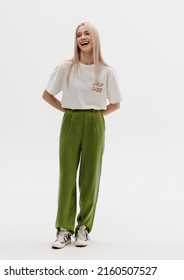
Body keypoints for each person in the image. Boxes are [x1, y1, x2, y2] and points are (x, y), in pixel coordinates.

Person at [42, 22, 122, 249]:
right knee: (67, 174)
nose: (82, 37)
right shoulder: (65, 68)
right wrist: (68, 110)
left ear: (95, 38)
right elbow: (47, 94)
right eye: (78, 34)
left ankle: (83, 228)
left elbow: (115, 103)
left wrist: (95, 115)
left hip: (94, 122)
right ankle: (63, 229)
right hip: (71, 121)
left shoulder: (106, 71)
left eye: (87, 33)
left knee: (89, 177)